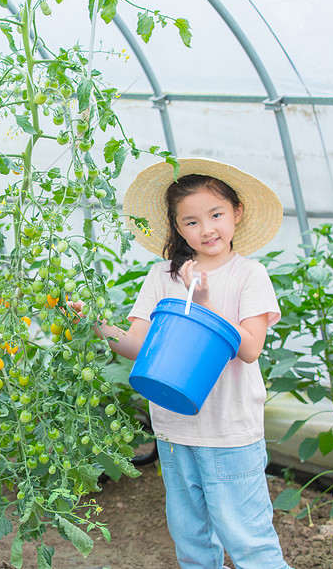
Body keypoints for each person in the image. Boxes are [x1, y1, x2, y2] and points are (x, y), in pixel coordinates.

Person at [69, 158, 292, 569]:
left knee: (248, 540)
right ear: (177, 228)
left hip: (229, 431)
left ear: (237, 213)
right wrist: (96, 324)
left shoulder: (249, 275)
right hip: (175, 428)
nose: (206, 229)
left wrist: (204, 305)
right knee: (191, 540)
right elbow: (138, 344)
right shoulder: (162, 276)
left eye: (216, 214)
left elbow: (250, 348)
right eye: (191, 221)